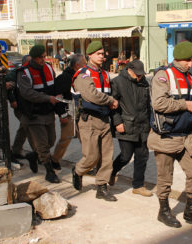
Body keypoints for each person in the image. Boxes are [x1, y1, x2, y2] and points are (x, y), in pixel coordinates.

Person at [147, 41, 192, 228]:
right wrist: (186, 105)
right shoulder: (163, 75)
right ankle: (164, 211)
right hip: (167, 136)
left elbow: (188, 101)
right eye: (188, 61)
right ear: (178, 58)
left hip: (187, 137)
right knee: (165, 178)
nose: (191, 64)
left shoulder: (189, 76)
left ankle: (190, 211)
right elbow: (158, 104)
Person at [71, 41, 119, 201]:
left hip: (104, 119)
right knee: (91, 157)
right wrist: (110, 100)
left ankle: (102, 187)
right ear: (89, 55)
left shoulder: (104, 74)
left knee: (107, 156)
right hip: (89, 120)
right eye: (98, 53)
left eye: (103, 53)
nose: (102, 56)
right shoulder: (83, 74)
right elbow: (91, 95)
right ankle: (78, 171)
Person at [17, 44, 62, 183]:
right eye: (39, 58)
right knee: (42, 145)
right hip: (33, 114)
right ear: (33, 58)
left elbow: (53, 85)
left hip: (48, 112)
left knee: (51, 140)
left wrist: (58, 94)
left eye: (44, 57)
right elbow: (27, 93)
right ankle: (50, 172)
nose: (43, 60)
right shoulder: (24, 72)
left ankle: (33, 156)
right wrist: (47, 98)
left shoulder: (48, 67)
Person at [109, 60, 152, 197]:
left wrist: (150, 124)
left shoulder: (144, 83)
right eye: (137, 75)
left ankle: (138, 185)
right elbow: (113, 106)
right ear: (129, 70)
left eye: (141, 75)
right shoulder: (117, 82)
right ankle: (112, 171)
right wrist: (117, 123)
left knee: (142, 157)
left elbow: (148, 105)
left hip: (142, 126)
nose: (139, 77)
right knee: (125, 156)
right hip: (126, 125)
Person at [51, 54, 87, 169]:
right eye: (84, 64)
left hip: (81, 112)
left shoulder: (82, 76)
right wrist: (62, 114)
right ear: (77, 65)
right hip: (69, 112)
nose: (86, 66)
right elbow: (58, 98)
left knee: (86, 140)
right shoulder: (64, 78)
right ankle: (55, 159)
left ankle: (89, 164)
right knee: (65, 138)